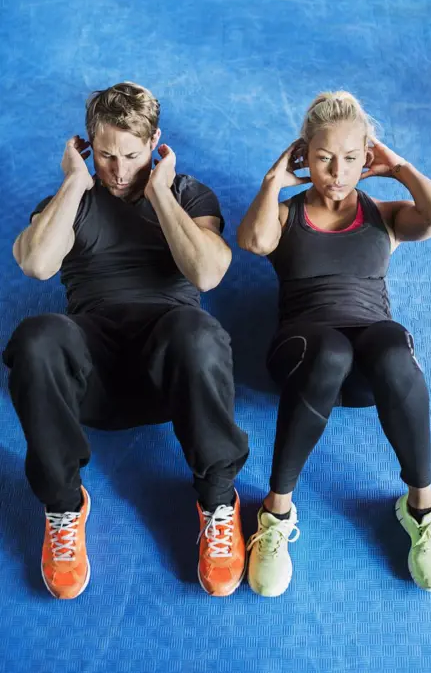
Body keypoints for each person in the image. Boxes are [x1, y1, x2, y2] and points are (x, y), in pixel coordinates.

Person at [3, 81, 248, 600]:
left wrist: (158, 191)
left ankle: (218, 499)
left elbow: (206, 275)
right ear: (88, 146)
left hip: (172, 371)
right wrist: (73, 183)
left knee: (198, 330)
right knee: (35, 336)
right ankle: (64, 506)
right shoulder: (69, 201)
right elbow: (36, 263)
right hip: (91, 378)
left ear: (155, 142)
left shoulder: (188, 195)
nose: (117, 170)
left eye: (132, 156)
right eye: (106, 155)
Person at [238, 90, 431, 596]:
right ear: (303, 155)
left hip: (367, 375)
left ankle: (421, 507)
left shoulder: (384, 214)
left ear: (368, 158)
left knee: (393, 347)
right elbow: (252, 240)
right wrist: (273, 180)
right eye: (323, 157)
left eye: (352, 158)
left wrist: (398, 167)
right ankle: (276, 512)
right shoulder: (287, 215)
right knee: (332, 350)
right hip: (303, 358)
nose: (337, 171)